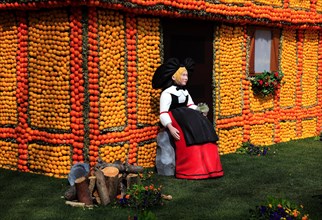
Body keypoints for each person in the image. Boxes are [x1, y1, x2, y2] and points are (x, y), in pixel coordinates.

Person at [152, 57, 224, 180]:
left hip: (187, 116)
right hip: (175, 118)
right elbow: (163, 112)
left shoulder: (185, 91)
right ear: (174, 77)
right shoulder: (167, 93)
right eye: (183, 75)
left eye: (186, 75)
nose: (186, 78)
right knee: (188, 136)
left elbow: (191, 105)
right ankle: (191, 169)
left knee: (205, 128)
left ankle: (211, 168)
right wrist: (170, 127)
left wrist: (201, 109)